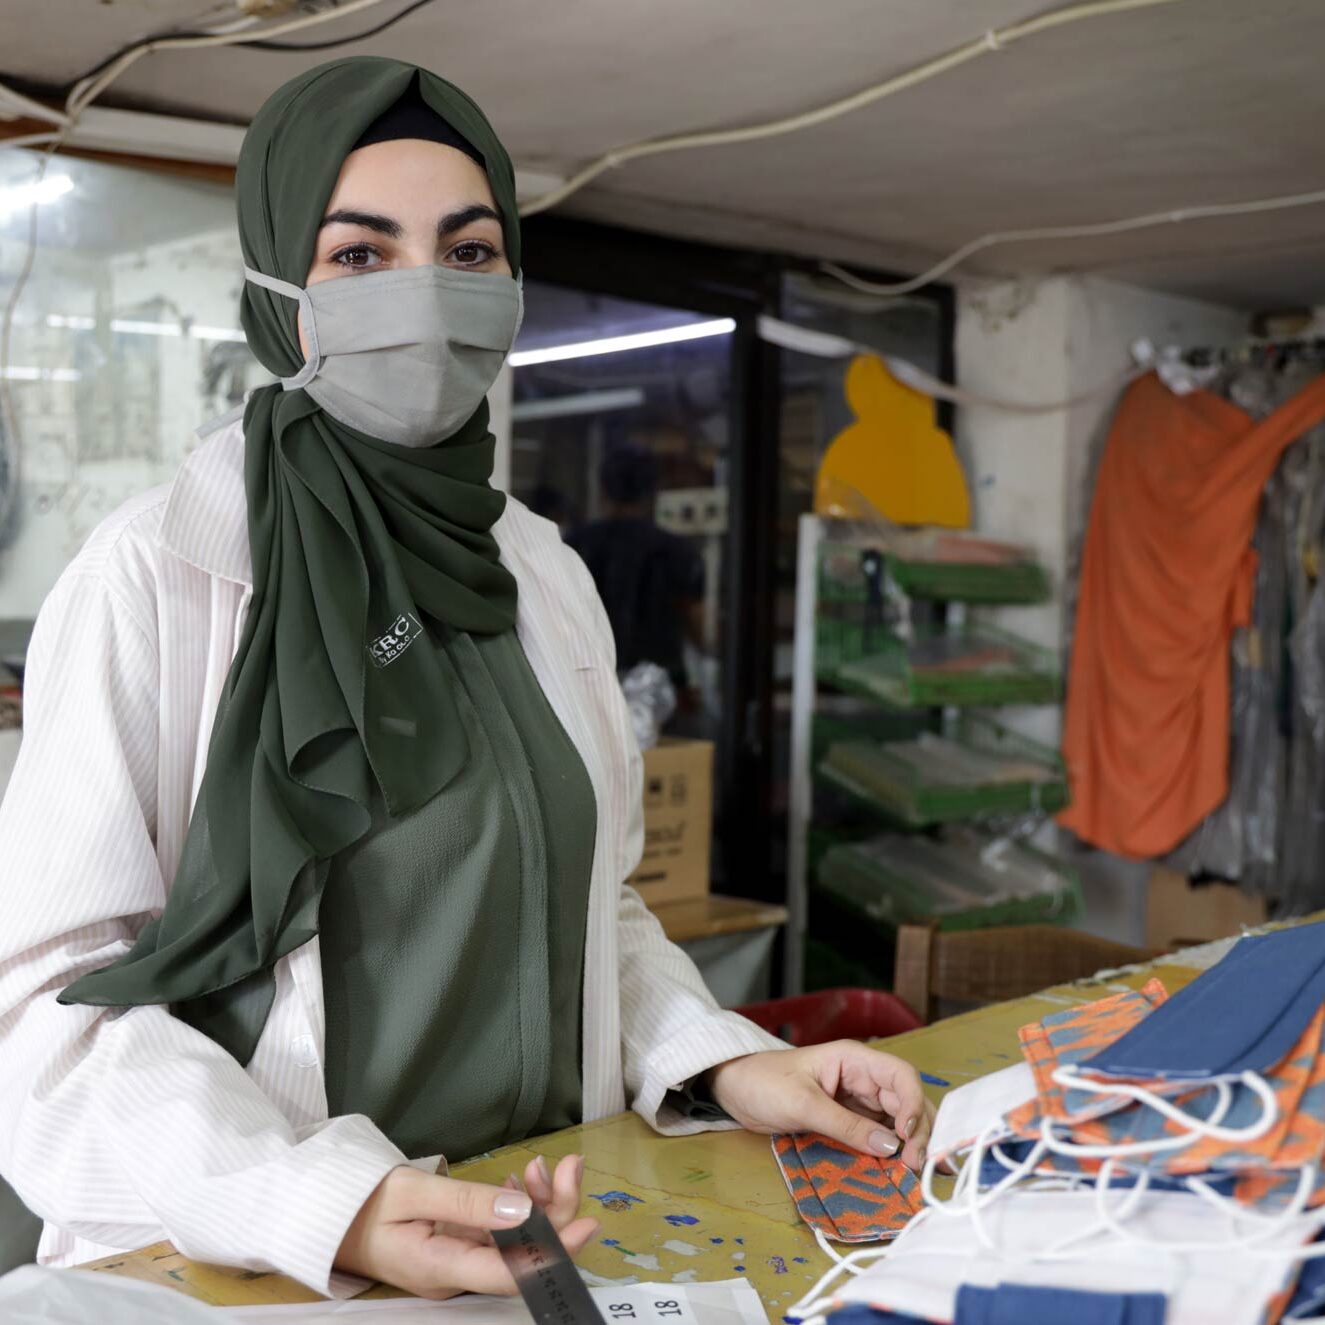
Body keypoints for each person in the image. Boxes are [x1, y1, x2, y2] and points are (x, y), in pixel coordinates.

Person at [0, 57, 933, 1301]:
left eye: (470, 249)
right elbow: (46, 1015)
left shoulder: (536, 569)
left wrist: (725, 1059)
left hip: (545, 1225)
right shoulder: (156, 576)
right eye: (360, 254)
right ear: (279, 287)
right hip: (265, 1265)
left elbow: (591, 907)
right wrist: (332, 1204)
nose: (428, 297)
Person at [569, 444, 703, 695]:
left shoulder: (573, 546)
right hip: (662, 688)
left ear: (602, 490)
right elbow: (696, 622)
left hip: (588, 684)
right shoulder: (676, 550)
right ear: (652, 492)